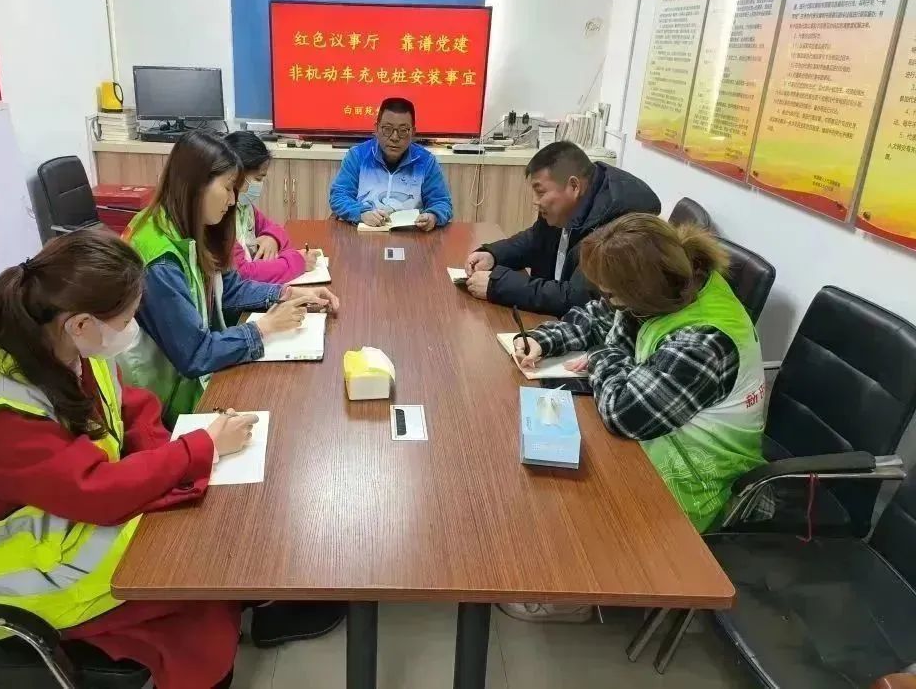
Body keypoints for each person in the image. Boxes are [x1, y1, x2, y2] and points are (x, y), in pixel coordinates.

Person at [0, 230, 255, 688]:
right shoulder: (4, 417)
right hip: (32, 590)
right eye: (127, 319)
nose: (132, 329)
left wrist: (165, 455)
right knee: (202, 596)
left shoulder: (65, 349)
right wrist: (197, 450)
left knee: (207, 556)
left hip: (72, 531)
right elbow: (95, 492)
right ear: (81, 323)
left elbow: (127, 407)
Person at [503, 214, 766, 623]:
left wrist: (602, 356)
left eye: (614, 294)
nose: (608, 300)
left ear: (641, 292)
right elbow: (601, 316)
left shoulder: (704, 342)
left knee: (556, 477)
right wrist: (543, 339)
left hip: (694, 477)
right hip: (660, 438)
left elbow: (624, 414)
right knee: (539, 449)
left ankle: (578, 593)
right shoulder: (672, 282)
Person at [119, 131, 338, 426]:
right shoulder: (160, 259)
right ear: (197, 185)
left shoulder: (190, 223)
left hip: (193, 380)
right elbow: (195, 353)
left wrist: (287, 294)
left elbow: (229, 289)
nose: (234, 200)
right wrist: (264, 327)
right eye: (227, 188)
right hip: (168, 404)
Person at [463, 141, 660, 316]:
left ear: (573, 186)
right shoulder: (574, 202)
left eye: (540, 192)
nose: (535, 201)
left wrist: (498, 285)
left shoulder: (617, 221)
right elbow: (535, 239)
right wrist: (493, 254)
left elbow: (579, 297)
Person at [328, 97, 453, 230]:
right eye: (387, 129)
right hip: (364, 232)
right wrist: (361, 213)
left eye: (403, 130)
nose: (394, 137)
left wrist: (433, 216)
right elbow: (339, 196)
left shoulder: (426, 161)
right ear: (376, 128)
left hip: (410, 235)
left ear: (413, 132)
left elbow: (442, 203)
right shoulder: (358, 156)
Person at [224, 130, 322, 284]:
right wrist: (299, 262)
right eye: (258, 178)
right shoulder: (221, 216)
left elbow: (276, 229)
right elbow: (242, 274)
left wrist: (272, 238)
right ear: (236, 175)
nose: (259, 185)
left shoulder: (245, 207)